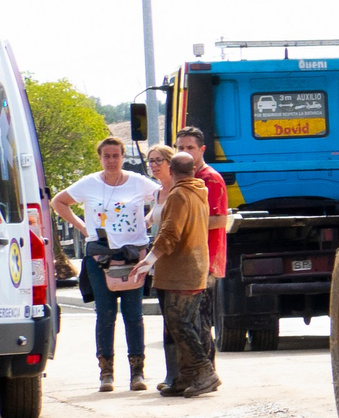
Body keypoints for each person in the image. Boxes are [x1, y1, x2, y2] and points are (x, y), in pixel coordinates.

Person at [52, 135, 158, 392]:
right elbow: (59, 202)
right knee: (105, 314)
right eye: (106, 156)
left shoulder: (138, 182)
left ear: (123, 157)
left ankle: (137, 373)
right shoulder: (89, 183)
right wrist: (82, 227)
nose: (112, 160)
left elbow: (163, 195)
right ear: (100, 158)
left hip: (133, 257)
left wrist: (149, 218)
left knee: (133, 315)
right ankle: (106, 374)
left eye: (116, 155)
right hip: (99, 258)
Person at [147, 147, 216, 397]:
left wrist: (148, 260)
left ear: (172, 171)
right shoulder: (198, 192)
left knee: (179, 323)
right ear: (193, 170)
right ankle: (184, 376)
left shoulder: (178, 195)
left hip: (180, 271)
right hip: (194, 267)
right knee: (179, 324)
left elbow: (169, 233)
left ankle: (204, 372)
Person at [175, 127, 230, 347]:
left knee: (201, 321)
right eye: (180, 148)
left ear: (202, 150)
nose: (185, 152)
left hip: (205, 259)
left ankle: (206, 373)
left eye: (190, 148)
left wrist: (183, 226)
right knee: (188, 321)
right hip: (187, 258)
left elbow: (219, 220)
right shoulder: (183, 178)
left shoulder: (210, 179)